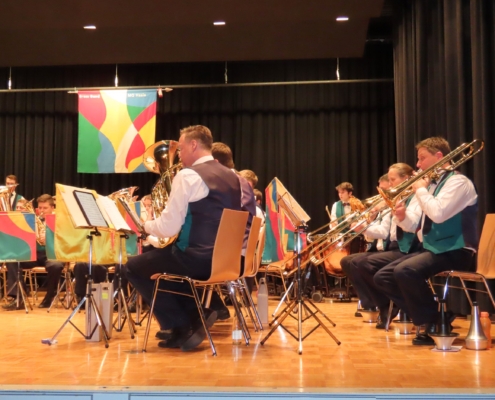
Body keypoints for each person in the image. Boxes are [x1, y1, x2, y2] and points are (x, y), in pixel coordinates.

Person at [124, 125, 243, 351]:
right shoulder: (233, 177)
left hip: (197, 259)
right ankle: (195, 315)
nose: (178, 154)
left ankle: (180, 324)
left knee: (133, 267)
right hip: (226, 260)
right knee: (164, 261)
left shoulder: (188, 175)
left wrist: (143, 226)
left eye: (180, 148)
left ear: (193, 145)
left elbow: (169, 227)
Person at [373, 137, 478, 345]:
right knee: (383, 276)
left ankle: (433, 323)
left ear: (439, 156)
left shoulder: (458, 183)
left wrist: (420, 190)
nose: (418, 164)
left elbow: (438, 214)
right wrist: (401, 217)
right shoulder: (431, 186)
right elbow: (415, 226)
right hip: (433, 248)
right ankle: (436, 318)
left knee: (405, 271)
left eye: (422, 158)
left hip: (457, 250)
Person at [348, 163, 422, 328]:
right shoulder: (395, 200)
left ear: (406, 179)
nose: (390, 185)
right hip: (394, 246)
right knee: (352, 262)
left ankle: (387, 304)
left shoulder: (414, 199)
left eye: (392, 180)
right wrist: (365, 225)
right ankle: (380, 304)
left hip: (408, 247)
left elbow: (408, 227)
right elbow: (385, 231)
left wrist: (397, 213)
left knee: (362, 263)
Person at [3, 194, 65, 310]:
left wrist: (50, 239)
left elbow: (65, 241)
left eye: (45, 208)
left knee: (55, 266)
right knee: (12, 260)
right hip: (35, 254)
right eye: (40, 208)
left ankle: (49, 296)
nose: (42, 210)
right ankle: (19, 297)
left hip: (52, 254)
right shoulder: (33, 220)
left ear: (52, 208)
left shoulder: (60, 222)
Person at [211, 142, 257, 297]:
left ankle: (207, 306)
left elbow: (231, 217)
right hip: (238, 249)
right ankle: (210, 305)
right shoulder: (237, 180)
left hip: (232, 252)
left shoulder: (231, 181)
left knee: (181, 257)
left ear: (216, 162)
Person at [340, 174, 390, 302]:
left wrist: (364, 228)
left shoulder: (391, 206)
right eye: (380, 190)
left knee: (360, 263)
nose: (381, 194)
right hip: (377, 248)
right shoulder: (381, 208)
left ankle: (380, 301)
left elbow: (385, 233)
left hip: (390, 248)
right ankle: (370, 302)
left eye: (384, 190)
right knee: (346, 261)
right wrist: (369, 221)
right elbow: (370, 239)